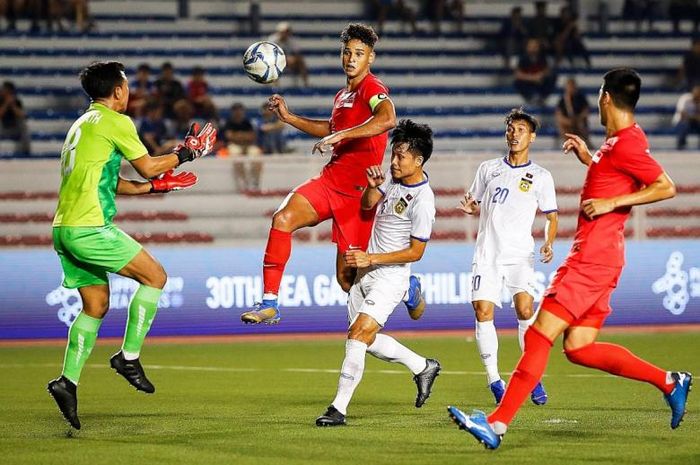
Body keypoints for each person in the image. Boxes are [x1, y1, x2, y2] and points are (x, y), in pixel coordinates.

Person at [448, 68, 690, 450]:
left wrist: (612, 201)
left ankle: (496, 424)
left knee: (540, 334)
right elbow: (617, 175)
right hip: (602, 259)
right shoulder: (614, 145)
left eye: (598, 94)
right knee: (578, 346)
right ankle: (669, 381)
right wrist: (590, 159)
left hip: (591, 259)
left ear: (605, 97)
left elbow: (665, 186)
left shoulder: (626, 142)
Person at [46, 61, 217, 430]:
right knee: (155, 277)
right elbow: (149, 167)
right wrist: (188, 151)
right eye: (126, 86)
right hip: (90, 227)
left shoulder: (80, 126)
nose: (129, 92)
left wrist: (156, 188)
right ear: (119, 90)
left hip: (63, 228)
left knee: (96, 305)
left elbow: (112, 181)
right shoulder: (116, 121)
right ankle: (129, 356)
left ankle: (67, 381)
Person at [240, 23, 417, 326]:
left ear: (370, 58)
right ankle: (270, 302)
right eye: (347, 52)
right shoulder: (343, 95)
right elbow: (333, 130)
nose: (351, 58)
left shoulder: (372, 89)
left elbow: (388, 119)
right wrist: (289, 117)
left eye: (359, 54)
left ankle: (407, 288)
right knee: (282, 219)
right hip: (330, 181)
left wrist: (341, 136)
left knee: (347, 281)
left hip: (359, 195)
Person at [316, 120, 440, 427]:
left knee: (358, 334)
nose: (393, 162)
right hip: (366, 273)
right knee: (363, 340)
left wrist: (370, 257)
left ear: (418, 161)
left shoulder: (424, 200)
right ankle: (422, 366)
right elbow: (368, 205)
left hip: (390, 275)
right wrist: (373, 187)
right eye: (394, 155)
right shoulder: (394, 182)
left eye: (400, 157)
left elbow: (416, 252)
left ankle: (338, 408)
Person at [459, 108, 558, 407]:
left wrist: (549, 242)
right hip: (487, 253)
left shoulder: (541, 177)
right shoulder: (488, 169)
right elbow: (474, 201)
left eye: (521, 130)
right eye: (511, 129)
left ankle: (531, 374)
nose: (514, 134)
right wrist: (471, 208)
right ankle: (494, 380)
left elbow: (552, 216)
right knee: (482, 311)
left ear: (532, 136)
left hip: (519, 255)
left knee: (525, 310)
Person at [223, 102, 263, 192]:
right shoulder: (229, 123)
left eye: (240, 110)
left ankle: (255, 181)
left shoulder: (247, 122)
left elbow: (252, 136)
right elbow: (229, 136)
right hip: (234, 145)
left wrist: (238, 135)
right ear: (232, 112)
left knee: (256, 153)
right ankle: (243, 181)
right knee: (236, 154)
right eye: (236, 110)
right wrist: (243, 136)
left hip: (248, 145)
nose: (238, 112)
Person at [513, 38, 556, 105]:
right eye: (531, 47)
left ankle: (542, 97)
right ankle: (530, 97)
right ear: (527, 48)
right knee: (518, 82)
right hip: (527, 82)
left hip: (539, 81)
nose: (533, 49)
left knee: (552, 77)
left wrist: (541, 75)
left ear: (538, 47)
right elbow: (518, 74)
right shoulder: (523, 58)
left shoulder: (542, 57)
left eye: (535, 47)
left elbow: (547, 70)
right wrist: (532, 78)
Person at [268, 22, 309, 87]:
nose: (285, 34)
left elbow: (297, 53)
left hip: (287, 61)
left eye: (287, 32)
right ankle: (275, 85)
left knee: (300, 61)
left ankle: (306, 83)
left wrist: (292, 58)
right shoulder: (272, 40)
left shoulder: (292, 40)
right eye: (284, 32)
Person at [556, 77, 590, 146]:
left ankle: (585, 143)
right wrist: (568, 121)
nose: (570, 88)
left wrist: (579, 118)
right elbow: (559, 115)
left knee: (581, 124)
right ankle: (568, 143)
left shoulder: (580, 98)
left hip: (579, 120)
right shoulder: (562, 100)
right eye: (569, 86)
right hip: (568, 122)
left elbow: (586, 111)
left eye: (572, 86)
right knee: (562, 124)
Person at [0, 81, 31, 155]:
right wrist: (6, 104)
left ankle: (26, 151)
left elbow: (23, 115)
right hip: (2, 128)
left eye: (4, 89)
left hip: (14, 128)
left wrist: (12, 105)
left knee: (23, 124)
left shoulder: (16, 102)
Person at [672, 84, 700, 149]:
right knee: (684, 124)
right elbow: (683, 115)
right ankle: (681, 144)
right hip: (683, 121)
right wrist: (695, 117)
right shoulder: (685, 98)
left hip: (695, 122)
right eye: (697, 93)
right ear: (693, 92)